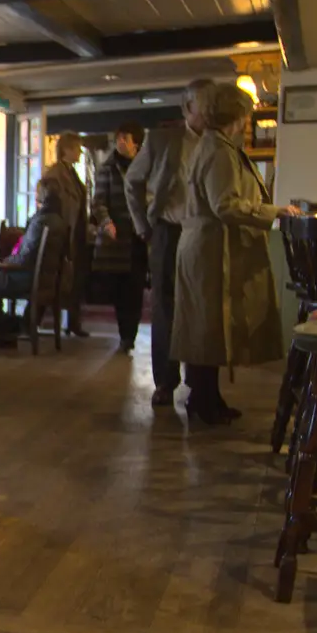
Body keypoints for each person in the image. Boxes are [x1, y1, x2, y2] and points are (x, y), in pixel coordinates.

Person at [170, 83, 299, 425]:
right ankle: (203, 399)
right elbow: (224, 204)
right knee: (206, 328)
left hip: (207, 247)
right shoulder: (219, 150)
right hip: (209, 249)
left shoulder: (215, 146)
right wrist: (274, 212)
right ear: (237, 114)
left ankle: (205, 397)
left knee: (206, 327)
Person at [126, 79, 214, 406]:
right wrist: (142, 226)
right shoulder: (162, 139)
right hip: (168, 230)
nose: (210, 115)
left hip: (204, 234)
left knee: (202, 309)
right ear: (188, 108)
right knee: (165, 307)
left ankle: (200, 384)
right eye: (205, 108)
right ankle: (165, 381)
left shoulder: (220, 143)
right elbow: (132, 181)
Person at [0, 177, 68, 340]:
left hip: (27, 277)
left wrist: (3, 262)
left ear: (40, 195)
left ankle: (6, 329)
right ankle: (12, 325)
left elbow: (25, 257)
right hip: (47, 279)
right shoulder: (60, 221)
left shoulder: (40, 222)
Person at [90, 122, 147, 354]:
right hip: (118, 238)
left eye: (126, 138)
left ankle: (129, 336)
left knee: (135, 289)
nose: (121, 142)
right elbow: (99, 202)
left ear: (137, 143)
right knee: (120, 290)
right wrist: (107, 222)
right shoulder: (108, 168)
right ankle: (125, 335)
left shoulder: (145, 167)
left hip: (140, 237)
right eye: (119, 138)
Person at [43, 132, 90, 337]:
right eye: (77, 148)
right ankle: (35, 319)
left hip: (77, 231)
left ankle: (74, 321)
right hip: (64, 231)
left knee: (76, 278)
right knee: (58, 277)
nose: (79, 152)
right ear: (67, 149)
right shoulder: (56, 174)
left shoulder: (71, 172)